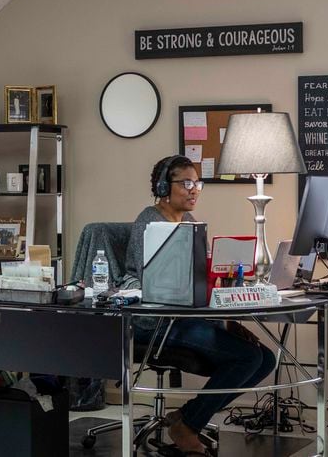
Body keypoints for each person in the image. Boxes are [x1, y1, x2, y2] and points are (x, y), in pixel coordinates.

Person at [124, 155, 276, 455]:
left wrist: (228, 322)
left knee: (266, 358)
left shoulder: (191, 223)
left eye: (198, 184)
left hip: (186, 316)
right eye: (187, 183)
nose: (194, 190)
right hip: (153, 321)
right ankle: (187, 426)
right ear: (163, 186)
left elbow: (198, 284)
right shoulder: (150, 223)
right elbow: (157, 285)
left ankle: (188, 415)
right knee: (247, 358)